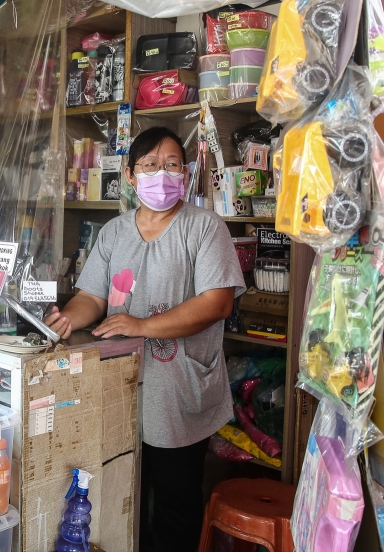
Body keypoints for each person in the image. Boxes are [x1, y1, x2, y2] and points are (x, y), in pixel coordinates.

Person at [45, 126, 245, 552]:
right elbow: (92, 297)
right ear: (132, 177)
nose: (162, 174)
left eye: (172, 165)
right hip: (119, 385)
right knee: (121, 491)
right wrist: (65, 319)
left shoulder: (205, 228)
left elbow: (217, 303)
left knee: (174, 502)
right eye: (150, 166)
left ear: (186, 172)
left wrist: (140, 325)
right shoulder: (115, 232)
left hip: (178, 391)